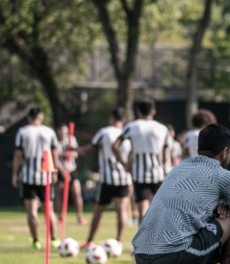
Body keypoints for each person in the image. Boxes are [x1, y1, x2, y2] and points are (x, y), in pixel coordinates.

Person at [133, 124, 230, 264]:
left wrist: (213, 207)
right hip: (173, 261)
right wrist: (225, 209)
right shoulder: (224, 176)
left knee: (186, 228)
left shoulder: (176, 170)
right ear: (224, 151)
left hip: (141, 259)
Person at [72, 108, 132, 249]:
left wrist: (74, 149)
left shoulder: (104, 132)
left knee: (98, 210)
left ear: (111, 118)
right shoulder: (128, 134)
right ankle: (119, 242)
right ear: (123, 120)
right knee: (121, 210)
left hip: (107, 179)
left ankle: (89, 241)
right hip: (124, 178)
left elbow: (87, 150)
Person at [11, 107, 63, 249]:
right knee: (49, 210)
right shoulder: (49, 131)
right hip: (46, 177)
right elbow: (55, 154)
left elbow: (18, 155)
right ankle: (54, 239)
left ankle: (35, 241)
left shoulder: (23, 132)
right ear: (41, 117)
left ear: (29, 117)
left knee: (32, 210)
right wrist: (55, 172)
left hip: (28, 176)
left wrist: (15, 174)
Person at [113, 98, 169, 222]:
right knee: (160, 207)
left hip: (139, 173)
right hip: (157, 173)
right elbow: (165, 153)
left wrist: (125, 165)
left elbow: (115, 146)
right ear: (153, 112)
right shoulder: (162, 128)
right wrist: (165, 168)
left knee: (142, 207)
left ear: (138, 112)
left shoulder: (131, 126)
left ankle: (144, 238)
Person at [55, 123, 86, 225]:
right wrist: (64, 154)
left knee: (77, 193)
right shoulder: (54, 140)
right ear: (58, 131)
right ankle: (60, 218)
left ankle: (80, 217)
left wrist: (69, 152)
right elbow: (54, 156)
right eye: (61, 131)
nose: (64, 133)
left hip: (72, 169)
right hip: (59, 170)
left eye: (65, 131)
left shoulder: (71, 139)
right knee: (59, 194)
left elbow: (76, 154)